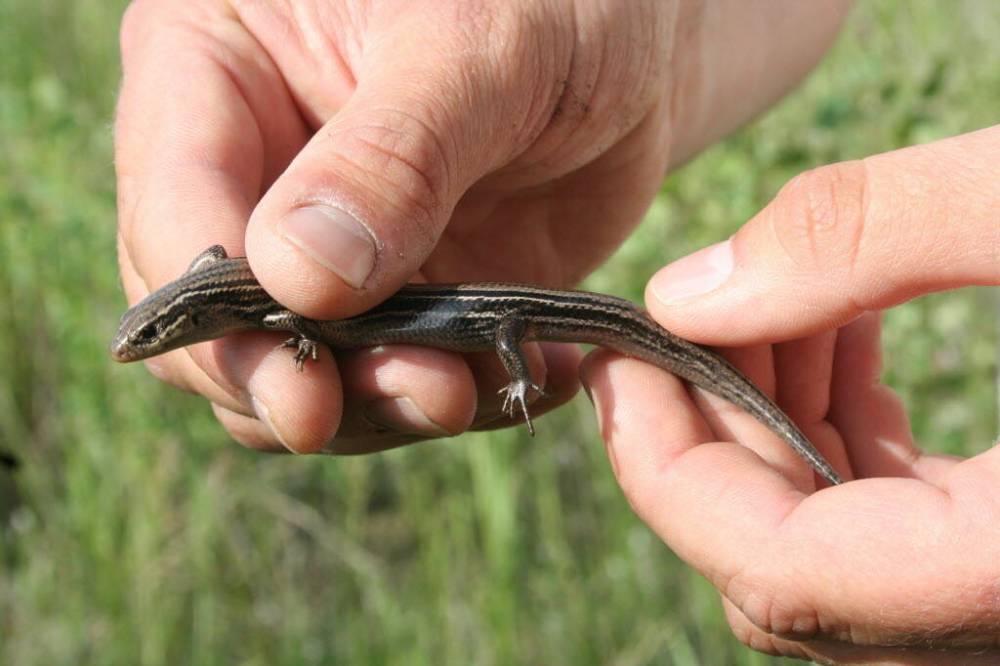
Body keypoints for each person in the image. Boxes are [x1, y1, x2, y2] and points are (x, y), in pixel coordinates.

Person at [115, 1, 1000, 661]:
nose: (145, 345)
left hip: (490, 314)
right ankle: (793, 450)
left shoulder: (244, 298)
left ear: (179, 320)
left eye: (150, 334)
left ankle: (547, 381)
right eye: (149, 338)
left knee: (518, 344)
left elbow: (279, 299)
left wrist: (332, 325)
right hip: (459, 305)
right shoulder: (227, 296)